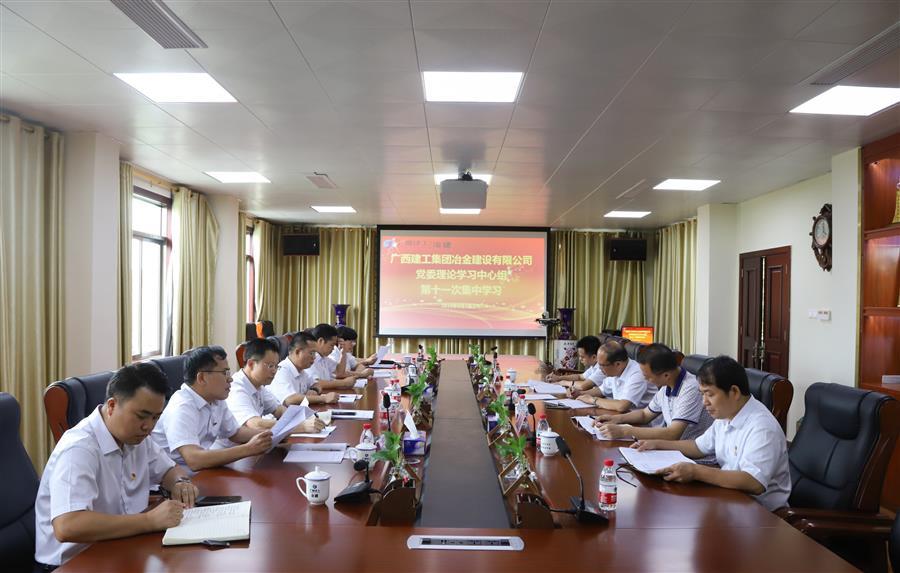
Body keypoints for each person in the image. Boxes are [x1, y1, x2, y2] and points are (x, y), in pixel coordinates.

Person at [34, 363, 200, 568]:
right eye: (141, 416)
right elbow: (67, 526)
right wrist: (149, 521)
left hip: (119, 546)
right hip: (73, 563)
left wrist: (180, 483)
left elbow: (170, 470)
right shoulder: (79, 449)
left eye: (155, 417)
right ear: (112, 406)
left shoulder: (137, 438)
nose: (148, 427)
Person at [632, 355, 791, 511]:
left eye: (710, 394)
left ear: (734, 392)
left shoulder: (762, 427)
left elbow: (753, 482)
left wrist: (695, 471)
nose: (704, 402)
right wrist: (657, 444)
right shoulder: (726, 413)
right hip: (729, 499)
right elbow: (697, 447)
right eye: (702, 394)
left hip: (760, 513)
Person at [152, 345, 273, 471]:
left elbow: (235, 433)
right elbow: (194, 460)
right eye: (224, 373)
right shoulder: (182, 406)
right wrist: (248, 449)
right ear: (202, 378)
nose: (230, 378)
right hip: (174, 475)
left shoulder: (215, 399)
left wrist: (271, 436)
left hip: (200, 470)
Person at [593, 343, 713, 443]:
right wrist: (616, 419)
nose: (645, 379)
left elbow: (672, 433)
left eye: (648, 377)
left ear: (666, 375)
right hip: (673, 449)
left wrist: (624, 431)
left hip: (692, 457)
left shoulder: (690, 388)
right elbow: (645, 415)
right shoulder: (667, 385)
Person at [222, 337, 324, 442]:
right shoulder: (237, 388)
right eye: (270, 366)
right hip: (235, 450)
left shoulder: (259, 386)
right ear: (251, 364)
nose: (274, 371)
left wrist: (304, 418)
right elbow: (255, 424)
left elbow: (279, 410)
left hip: (254, 446)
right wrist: (300, 426)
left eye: (276, 366)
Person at [573, 340, 656, 413]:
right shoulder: (614, 370)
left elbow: (622, 406)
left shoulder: (637, 374)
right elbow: (601, 390)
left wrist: (593, 400)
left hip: (643, 423)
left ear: (617, 364)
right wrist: (579, 394)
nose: (599, 369)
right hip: (624, 416)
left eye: (602, 365)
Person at [270, 330, 339, 405]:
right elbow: (290, 399)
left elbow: (317, 384)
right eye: (311, 353)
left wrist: (314, 390)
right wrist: (324, 398)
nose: (314, 357)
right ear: (297, 352)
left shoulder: (301, 370)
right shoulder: (281, 371)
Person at [305, 323, 357, 390]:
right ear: (321, 341)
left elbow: (339, 372)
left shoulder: (324, 358)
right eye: (331, 345)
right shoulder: (310, 358)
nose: (333, 348)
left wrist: (343, 352)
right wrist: (344, 383)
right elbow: (315, 383)